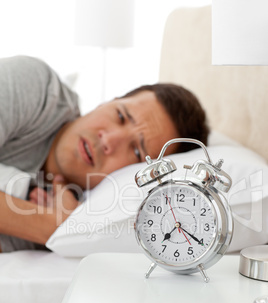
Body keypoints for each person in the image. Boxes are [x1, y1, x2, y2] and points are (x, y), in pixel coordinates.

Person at [0, 55, 209, 252]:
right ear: (107, 102)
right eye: (120, 115)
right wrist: (54, 226)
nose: (109, 140)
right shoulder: (37, 87)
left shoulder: (89, 215)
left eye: (136, 150)